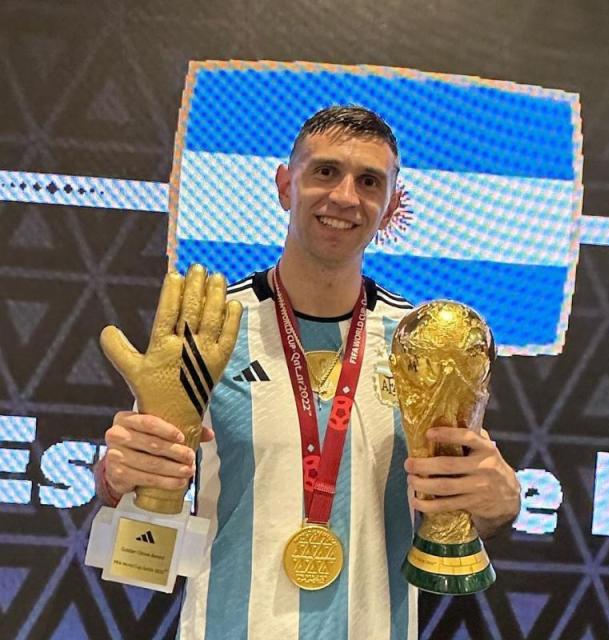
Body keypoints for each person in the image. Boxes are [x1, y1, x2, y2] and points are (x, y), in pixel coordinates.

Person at [95, 106, 521, 640]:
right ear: (285, 185)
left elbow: (462, 498)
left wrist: (500, 503)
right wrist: (117, 474)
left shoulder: (420, 343)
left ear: (391, 206)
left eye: (369, 182)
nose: (345, 196)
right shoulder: (212, 329)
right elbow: (133, 482)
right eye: (325, 171)